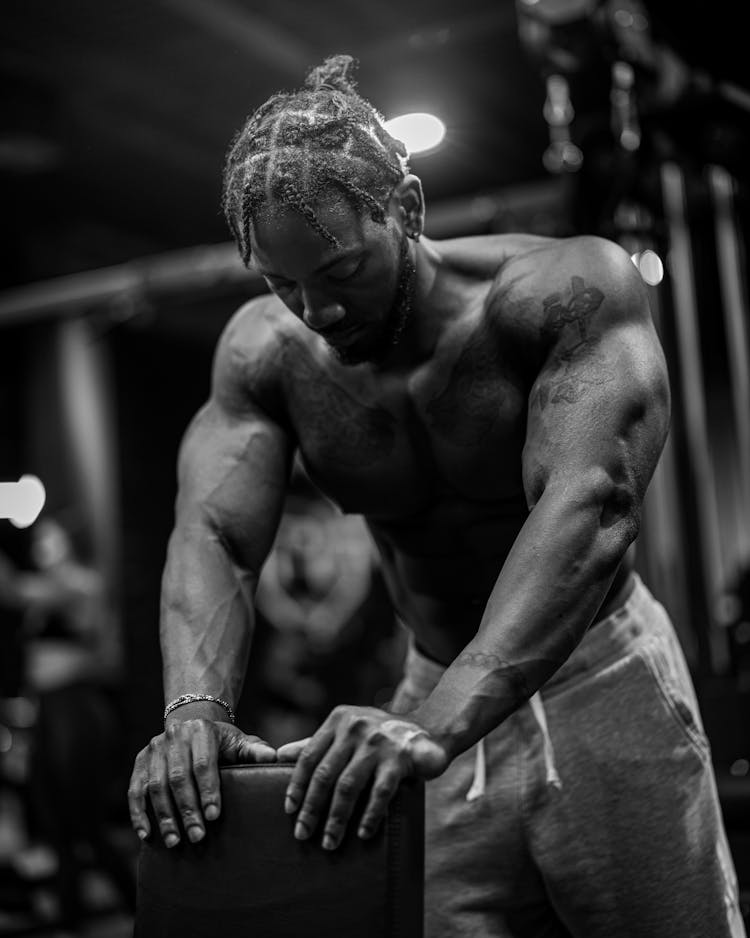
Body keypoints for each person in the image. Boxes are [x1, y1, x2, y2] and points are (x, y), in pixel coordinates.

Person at [128, 54, 744, 937]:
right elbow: (216, 533)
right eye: (281, 281)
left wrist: (436, 726)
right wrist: (193, 713)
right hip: (428, 692)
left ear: (407, 210)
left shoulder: (562, 295)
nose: (316, 310)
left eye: (340, 273)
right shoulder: (263, 356)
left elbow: (591, 507)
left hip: (598, 678)